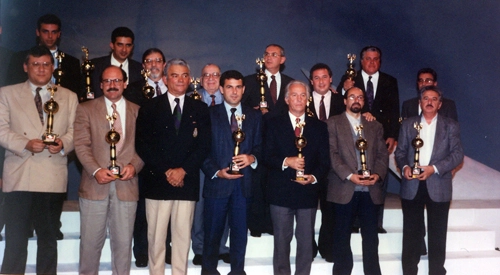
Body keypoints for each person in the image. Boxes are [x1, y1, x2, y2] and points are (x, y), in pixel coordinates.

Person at [0, 45, 78, 274]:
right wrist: (25, 143)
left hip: (51, 175)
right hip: (19, 174)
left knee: (48, 238)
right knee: (15, 239)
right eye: (35, 64)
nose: (41, 69)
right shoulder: (6, 93)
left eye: (46, 64)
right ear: (25, 67)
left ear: (52, 67)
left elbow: (76, 131)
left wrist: (63, 143)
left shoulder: (69, 96)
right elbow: (1, 129)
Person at [135, 58, 211, 275]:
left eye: (185, 75)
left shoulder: (200, 108)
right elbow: (142, 145)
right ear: (166, 79)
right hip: (158, 181)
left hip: (186, 182)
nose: (180, 79)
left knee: (182, 238)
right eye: (175, 75)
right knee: (156, 238)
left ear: (190, 79)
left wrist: (182, 170)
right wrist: (167, 171)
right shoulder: (150, 107)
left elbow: (204, 146)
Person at [74, 65, 144, 274]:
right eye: (107, 81)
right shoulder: (85, 109)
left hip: (127, 186)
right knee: (90, 245)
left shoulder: (138, 111)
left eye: (117, 81)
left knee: (123, 246)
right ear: (101, 85)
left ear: (125, 83)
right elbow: (81, 145)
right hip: (95, 186)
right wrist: (96, 171)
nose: (112, 85)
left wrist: (135, 166)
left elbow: (145, 146)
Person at [263, 80, 330, 275]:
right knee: (281, 244)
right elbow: (266, 156)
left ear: (308, 99)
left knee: (306, 245)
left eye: (302, 95)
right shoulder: (273, 124)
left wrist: (314, 177)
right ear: (286, 99)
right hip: (280, 193)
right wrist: (286, 161)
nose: (299, 99)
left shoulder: (319, 127)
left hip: (307, 193)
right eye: (294, 95)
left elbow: (325, 161)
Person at [395, 85, 464, 275]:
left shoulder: (450, 125)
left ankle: (436, 272)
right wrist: (406, 167)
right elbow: (400, 153)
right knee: (410, 234)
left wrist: (433, 169)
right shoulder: (408, 124)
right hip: (412, 185)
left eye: (434, 99)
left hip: (438, 184)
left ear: (440, 104)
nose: (430, 102)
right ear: (420, 102)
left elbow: (458, 155)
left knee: (437, 234)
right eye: (426, 98)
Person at [201, 70, 262, 275]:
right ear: (221, 89)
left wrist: (252, 158)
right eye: (229, 87)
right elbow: (201, 150)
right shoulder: (209, 114)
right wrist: (217, 172)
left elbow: (261, 147)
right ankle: (209, 271)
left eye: (238, 87)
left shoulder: (254, 116)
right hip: (217, 184)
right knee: (212, 234)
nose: (234, 92)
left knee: (239, 235)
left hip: (243, 186)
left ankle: (237, 271)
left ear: (244, 89)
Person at [326, 87, 388, 275]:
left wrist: (376, 175)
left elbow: (382, 156)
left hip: (370, 191)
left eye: (360, 97)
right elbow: (332, 154)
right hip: (344, 188)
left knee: (371, 239)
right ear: (344, 100)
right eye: (352, 96)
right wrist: (350, 175)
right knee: (342, 238)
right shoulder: (333, 123)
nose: (356, 100)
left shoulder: (374, 126)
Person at [338, 45, 399, 233]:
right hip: (353, 135)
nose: (372, 62)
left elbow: (394, 110)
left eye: (376, 59)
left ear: (380, 61)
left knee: (379, 178)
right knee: (355, 176)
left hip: (378, 137)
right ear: (361, 61)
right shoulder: (349, 78)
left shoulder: (390, 81)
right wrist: (343, 89)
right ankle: (354, 222)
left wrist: (392, 135)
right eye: (368, 59)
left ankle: (376, 222)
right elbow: (340, 101)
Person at [243, 44, 294, 238]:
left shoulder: (291, 83)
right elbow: (241, 109)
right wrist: (253, 112)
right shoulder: (250, 81)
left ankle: (273, 225)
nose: (269, 57)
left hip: (280, 142)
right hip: (256, 140)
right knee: (257, 183)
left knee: (276, 183)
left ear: (283, 59)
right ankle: (256, 224)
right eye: (266, 54)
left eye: (274, 54)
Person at [127, 48, 169, 268]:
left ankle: (167, 249)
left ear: (164, 64)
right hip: (144, 157)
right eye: (149, 61)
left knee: (171, 206)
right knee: (143, 209)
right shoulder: (133, 90)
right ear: (143, 65)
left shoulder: (175, 87)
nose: (153, 64)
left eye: (158, 61)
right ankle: (142, 251)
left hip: (171, 158)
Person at [191, 63, 231, 266]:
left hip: (222, 161)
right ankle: (199, 248)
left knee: (222, 205)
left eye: (215, 75)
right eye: (206, 75)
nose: (211, 78)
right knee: (199, 207)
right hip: (198, 161)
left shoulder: (231, 100)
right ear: (200, 78)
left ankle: (221, 247)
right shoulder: (191, 100)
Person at [308, 62, 345, 262]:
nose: (321, 81)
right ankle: (309, 247)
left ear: (331, 79)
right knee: (308, 209)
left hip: (335, 166)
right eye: (316, 78)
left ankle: (327, 247)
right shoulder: (302, 101)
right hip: (311, 165)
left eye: (324, 77)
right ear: (311, 81)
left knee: (330, 210)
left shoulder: (342, 102)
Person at [6, 14, 81, 97]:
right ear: (38, 32)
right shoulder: (19, 58)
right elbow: (10, 89)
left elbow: (76, 93)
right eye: (45, 31)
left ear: (59, 34)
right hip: (25, 105)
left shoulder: (72, 63)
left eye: (54, 32)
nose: (50, 36)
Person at [89, 26, 142, 99]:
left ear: (132, 47)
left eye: (128, 45)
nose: (124, 50)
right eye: (120, 45)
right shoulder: (94, 66)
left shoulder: (139, 69)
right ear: (112, 45)